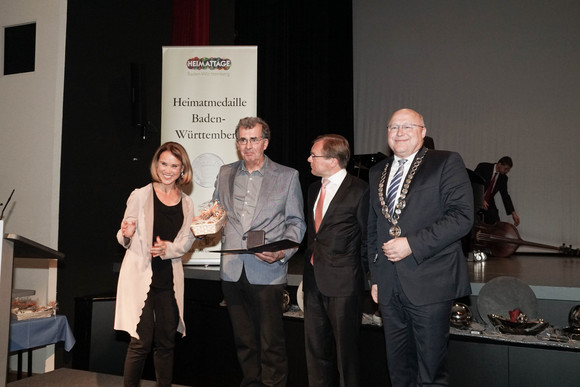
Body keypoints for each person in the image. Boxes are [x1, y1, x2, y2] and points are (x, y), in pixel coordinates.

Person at [367, 108, 474, 386]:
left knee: (431, 373)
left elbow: (462, 217)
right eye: (393, 127)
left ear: (423, 132)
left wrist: (411, 244)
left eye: (407, 127)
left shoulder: (445, 162)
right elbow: (373, 228)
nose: (399, 133)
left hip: (430, 282)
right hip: (389, 285)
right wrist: (375, 277)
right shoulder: (377, 171)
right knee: (398, 370)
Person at [212, 117, 306, 387]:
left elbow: (296, 224)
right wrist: (208, 221)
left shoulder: (287, 176)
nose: (248, 145)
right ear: (237, 142)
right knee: (244, 342)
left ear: (265, 142)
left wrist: (281, 253)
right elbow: (216, 209)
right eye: (242, 139)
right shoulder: (225, 172)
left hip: (267, 270)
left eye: (254, 139)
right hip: (232, 270)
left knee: (271, 343)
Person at [115, 141, 196, 387]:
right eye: (164, 163)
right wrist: (126, 233)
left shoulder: (187, 203)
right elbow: (123, 234)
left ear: (182, 169)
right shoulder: (140, 195)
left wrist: (167, 248)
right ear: (156, 164)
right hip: (140, 276)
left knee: (166, 342)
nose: (168, 170)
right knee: (140, 341)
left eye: (174, 165)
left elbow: (185, 243)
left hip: (168, 279)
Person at [303, 134, 369, 387]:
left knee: (346, 355)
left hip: (344, 283)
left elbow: (367, 238)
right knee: (316, 352)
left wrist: (362, 277)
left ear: (332, 160)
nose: (309, 159)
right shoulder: (312, 189)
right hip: (313, 282)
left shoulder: (360, 190)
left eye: (314, 155)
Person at [474, 156, 520, 226]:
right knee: (474, 220)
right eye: (506, 169)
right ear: (499, 164)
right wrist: (480, 199)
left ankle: (490, 236)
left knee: (495, 221)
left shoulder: (503, 178)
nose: (507, 171)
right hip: (475, 197)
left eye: (508, 170)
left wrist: (514, 213)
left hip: (489, 200)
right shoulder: (483, 167)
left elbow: (505, 195)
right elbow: (474, 183)